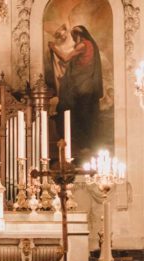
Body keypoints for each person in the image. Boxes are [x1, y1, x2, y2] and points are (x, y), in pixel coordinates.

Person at [48, 25, 103, 160]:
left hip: (83, 86)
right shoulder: (88, 45)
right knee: (81, 114)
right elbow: (74, 63)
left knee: (80, 113)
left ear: (79, 35)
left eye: (74, 37)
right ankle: (84, 144)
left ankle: (84, 144)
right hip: (84, 85)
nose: (73, 40)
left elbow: (66, 58)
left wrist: (54, 48)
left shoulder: (83, 45)